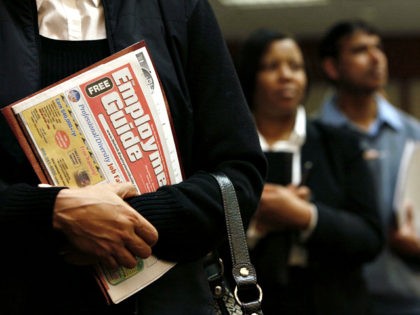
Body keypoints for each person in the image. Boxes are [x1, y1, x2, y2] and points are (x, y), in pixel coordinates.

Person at [0, 1, 266, 314]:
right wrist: (51, 212)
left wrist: (129, 220)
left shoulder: (177, 9)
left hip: (168, 298)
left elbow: (240, 174)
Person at [236, 28, 383, 315]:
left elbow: (370, 238)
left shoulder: (341, 143)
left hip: (335, 299)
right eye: (271, 66)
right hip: (252, 301)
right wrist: (256, 226)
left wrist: (306, 216)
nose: (286, 75)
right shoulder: (231, 148)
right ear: (250, 75)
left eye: (296, 66)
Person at [317, 19, 420, 315]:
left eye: (379, 48)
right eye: (361, 50)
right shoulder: (314, 136)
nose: (376, 58)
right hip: (337, 299)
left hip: (408, 297)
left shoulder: (413, 134)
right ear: (332, 67)